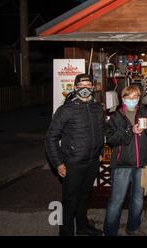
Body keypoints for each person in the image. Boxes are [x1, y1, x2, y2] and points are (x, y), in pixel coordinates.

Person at [45, 73, 106, 236]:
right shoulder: (66, 110)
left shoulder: (97, 107)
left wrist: (100, 152)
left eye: (88, 85)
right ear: (75, 87)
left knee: (85, 196)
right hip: (73, 162)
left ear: (93, 88)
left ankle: (82, 226)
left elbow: (101, 131)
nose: (85, 88)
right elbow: (51, 138)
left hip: (92, 161)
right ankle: (66, 232)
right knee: (70, 200)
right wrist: (58, 163)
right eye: (81, 86)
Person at [103, 85, 147, 236]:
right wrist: (130, 131)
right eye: (129, 97)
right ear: (123, 98)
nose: (132, 100)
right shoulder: (116, 115)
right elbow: (111, 139)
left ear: (139, 98)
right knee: (116, 201)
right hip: (122, 163)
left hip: (141, 162)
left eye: (135, 97)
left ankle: (133, 227)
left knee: (138, 200)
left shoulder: (143, 112)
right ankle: (109, 232)